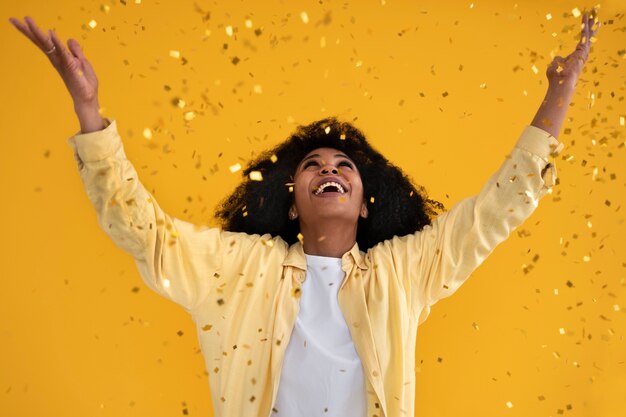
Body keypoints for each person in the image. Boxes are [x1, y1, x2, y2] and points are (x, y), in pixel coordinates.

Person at [10, 11, 599, 417]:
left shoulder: (403, 272)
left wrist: (558, 96)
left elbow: (496, 210)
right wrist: (89, 112)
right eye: (313, 166)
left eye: (344, 165)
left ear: (367, 200)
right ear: (291, 200)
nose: (330, 171)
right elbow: (146, 234)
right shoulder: (239, 270)